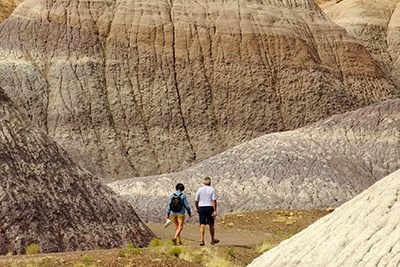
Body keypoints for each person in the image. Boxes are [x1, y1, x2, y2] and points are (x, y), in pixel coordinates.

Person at [195, 176, 219, 246]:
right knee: (211, 224)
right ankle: (212, 239)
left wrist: (197, 208)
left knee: (202, 224)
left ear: (203, 182)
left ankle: (202, 240)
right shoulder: (212, 190)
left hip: (201, 207)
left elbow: (196, 201)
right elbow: (214, 201)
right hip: (209, 207)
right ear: (210, 182)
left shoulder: (199, 190)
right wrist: (215, 210)